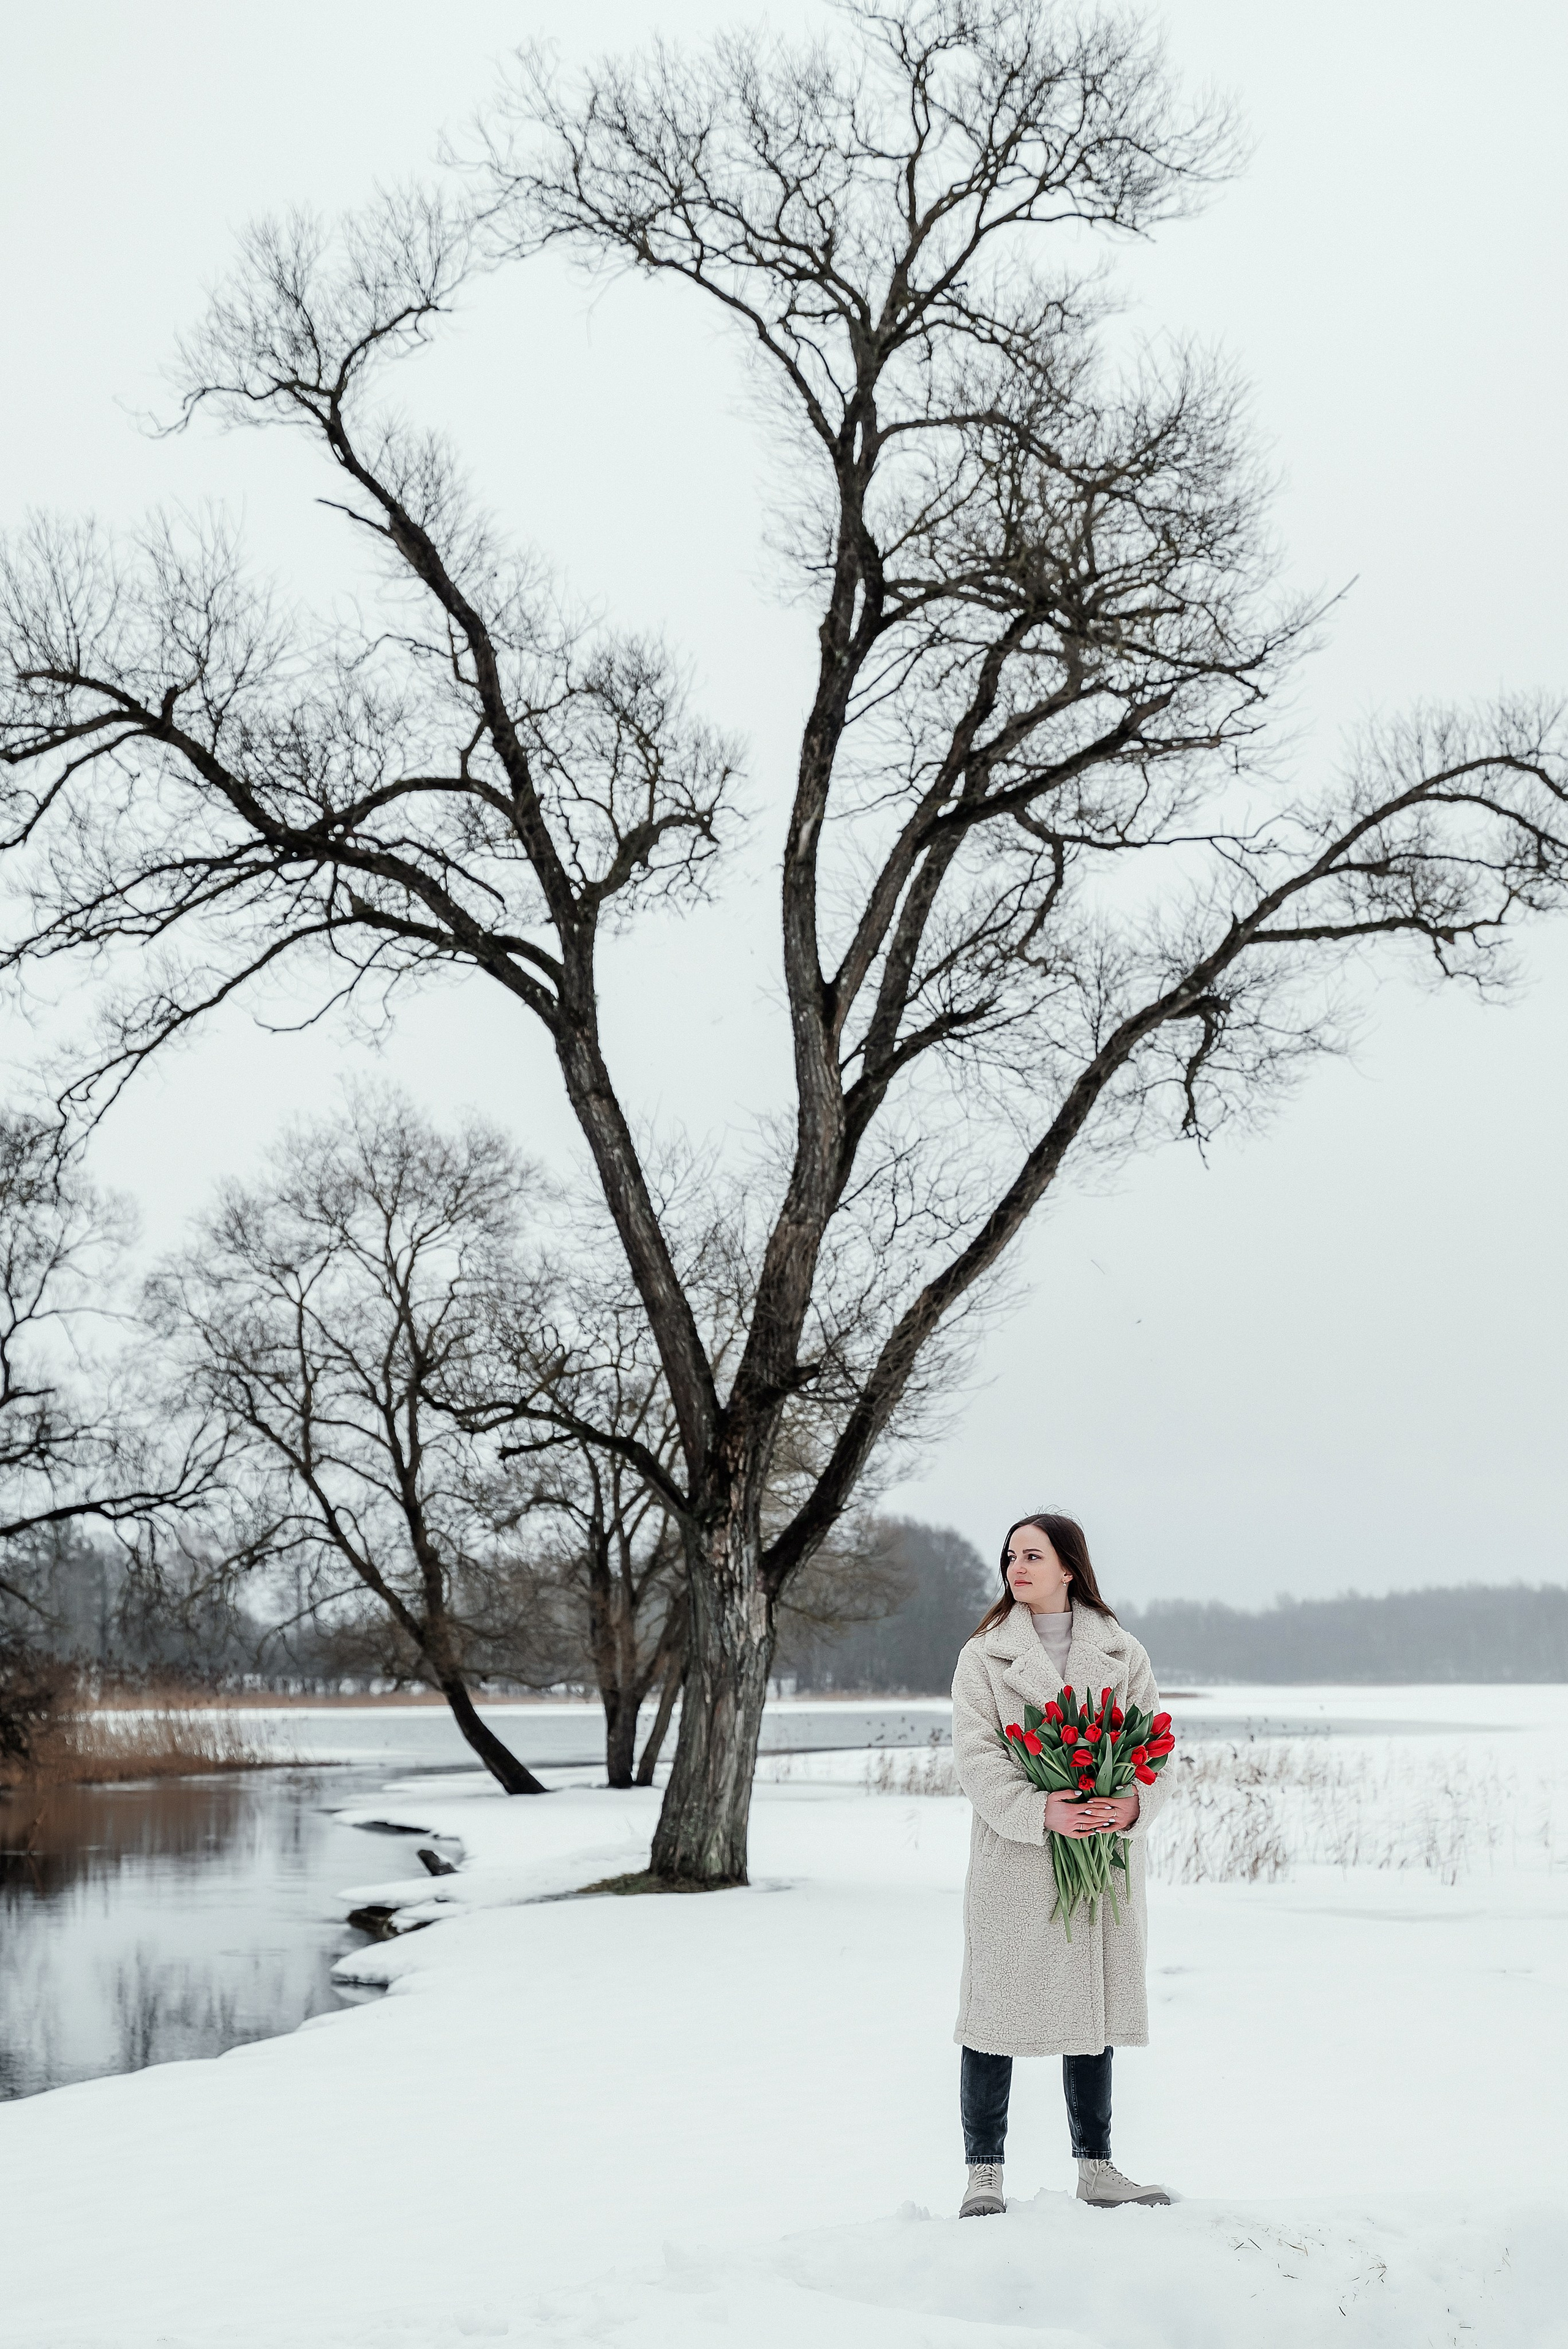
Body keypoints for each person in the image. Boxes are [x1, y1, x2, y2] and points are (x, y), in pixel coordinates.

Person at [951, 1511, 1173, 2215]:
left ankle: (1096, 2169)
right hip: (1017, 1861)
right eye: (1010, 1556)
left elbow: (1156, 1748)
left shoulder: (1122, 1652)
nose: (1015, 1567)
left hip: (1098, 1860)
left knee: (1091, 2009)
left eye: (1032, 1555)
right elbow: (977, 1757)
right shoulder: (984, 1656)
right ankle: (983, 2176)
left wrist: (1132, 1805)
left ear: (1068, 1567)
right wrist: (1039, 1809)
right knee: (992, 2015)